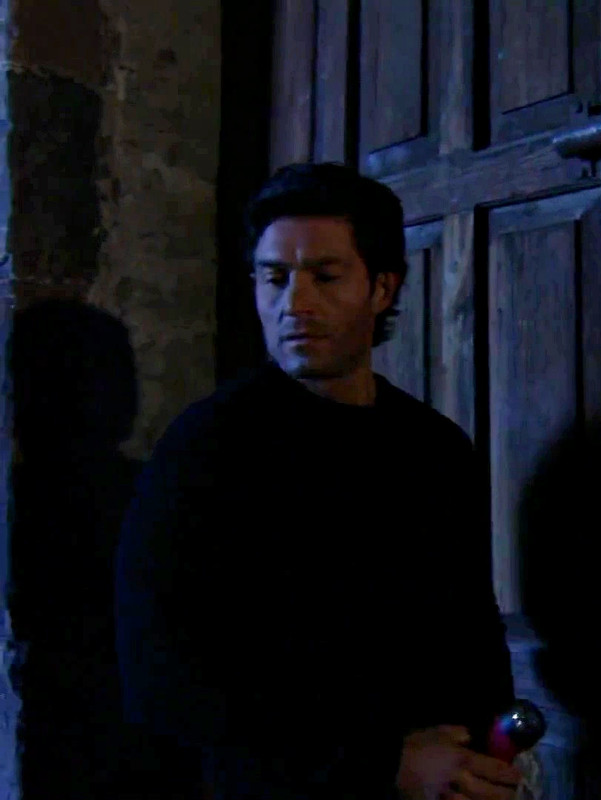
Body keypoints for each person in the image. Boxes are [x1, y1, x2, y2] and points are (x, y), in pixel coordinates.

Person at [114, 162, 522, 800]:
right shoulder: (205, 451)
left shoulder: (434, 448)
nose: (295, 305)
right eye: (274, 278)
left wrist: (482, 754)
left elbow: (470, 627)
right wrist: (380, 762)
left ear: (381, 288)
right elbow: (162, 676)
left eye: (325, 277)